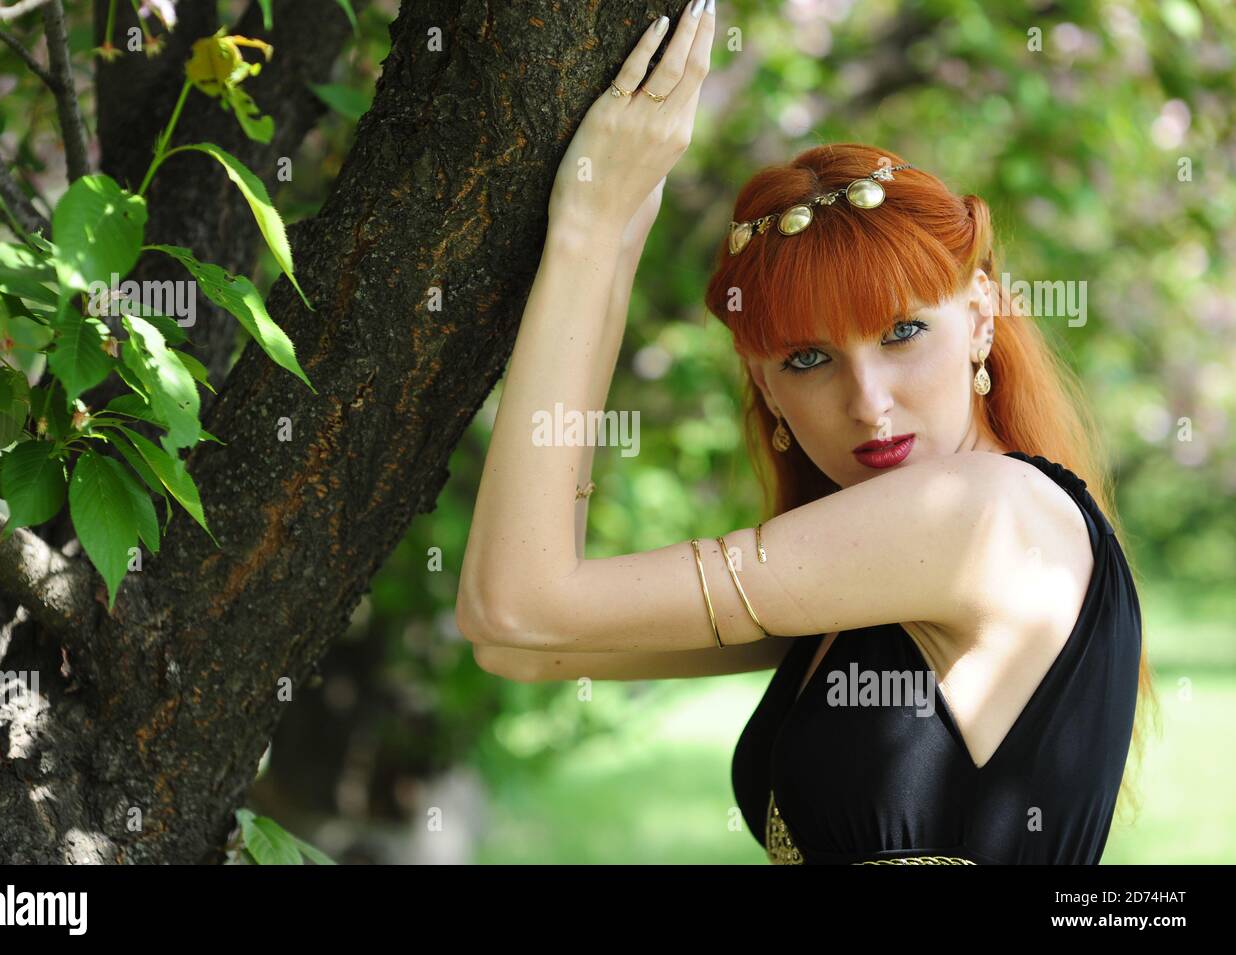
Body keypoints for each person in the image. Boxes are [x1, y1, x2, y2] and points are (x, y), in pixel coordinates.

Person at [455, 0, 1154, 864]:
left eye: (903, 333)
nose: (868, 401)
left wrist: (590, 230)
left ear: (979, 319)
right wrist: (614, 238)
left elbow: (515, 602)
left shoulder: (981, 516)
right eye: (808, 359)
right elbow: (518, 644)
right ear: (764, 385)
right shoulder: (873, 573)